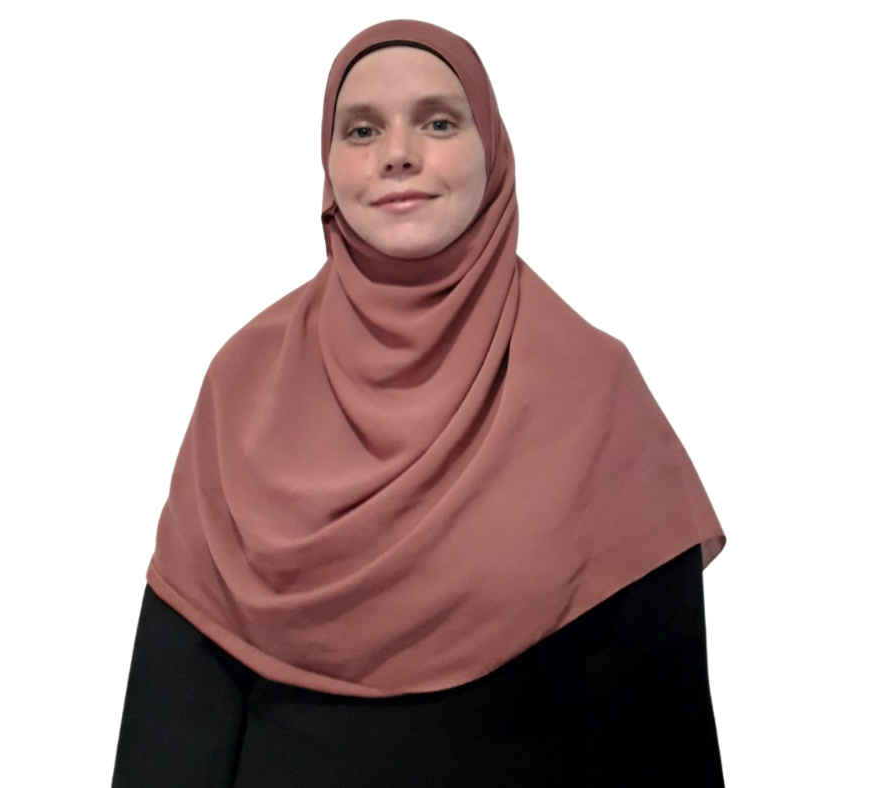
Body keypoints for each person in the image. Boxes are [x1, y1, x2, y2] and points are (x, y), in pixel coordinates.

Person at [112, 19, 726, 787]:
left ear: (492, 148)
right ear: (327, 164)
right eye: (361, 129)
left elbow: (661, 731)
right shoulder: (247, 384)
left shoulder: (592, 390)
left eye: (437, 122)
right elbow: (178, 698)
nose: (397, 153)